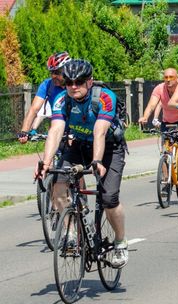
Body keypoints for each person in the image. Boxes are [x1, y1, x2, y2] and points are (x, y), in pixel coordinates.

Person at [35, 59, 129, 268]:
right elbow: (56, 130)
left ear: (90, 81)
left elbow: (100, 131)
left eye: (79, 81)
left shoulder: (105, 97)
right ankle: (70, 232)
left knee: (109, 198)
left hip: (109, 148)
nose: (73, 86)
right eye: (69, 82)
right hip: (78, 145)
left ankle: (121, 241)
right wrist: (46, 162)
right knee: (57, 187)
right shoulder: (61, 99)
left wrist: (96, 161)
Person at [18, 52, 71, 143]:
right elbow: (34, 109)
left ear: (67, 70)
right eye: (51, 72)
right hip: (57, 129)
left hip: (78, 131)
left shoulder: (76, 86)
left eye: (57, 72)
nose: (53, 76)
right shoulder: (47, 85)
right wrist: (24, 131)